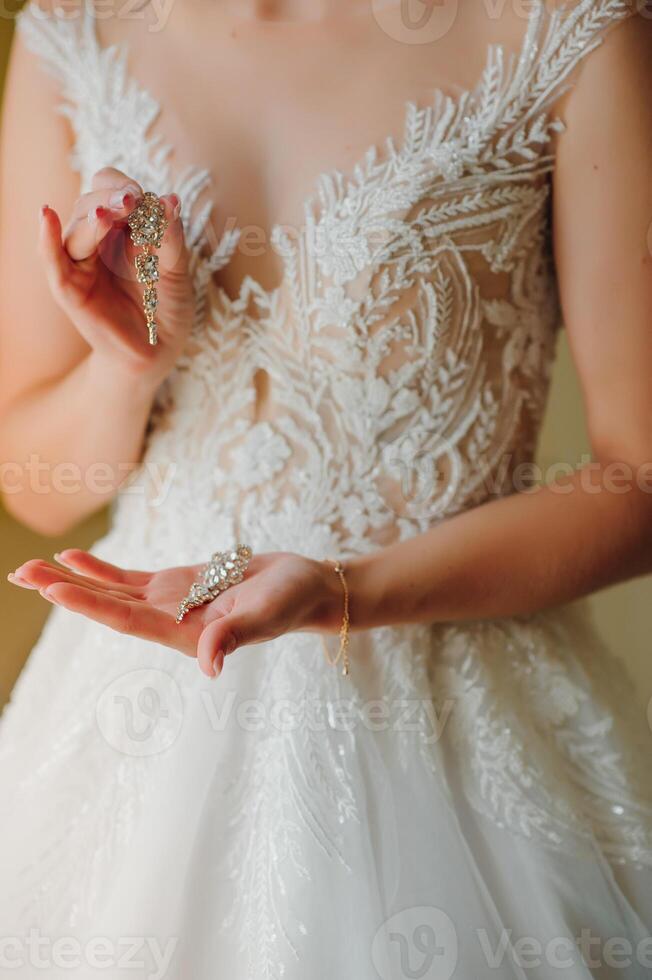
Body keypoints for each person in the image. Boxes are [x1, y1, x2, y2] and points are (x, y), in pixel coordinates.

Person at [0, 1, 651, 976]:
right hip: (131, 713)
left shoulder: (568, 28)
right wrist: (126, 366)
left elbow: (636, 475)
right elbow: (37, 485)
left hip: (456, 723)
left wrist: (351, 588)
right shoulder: (78, 31)